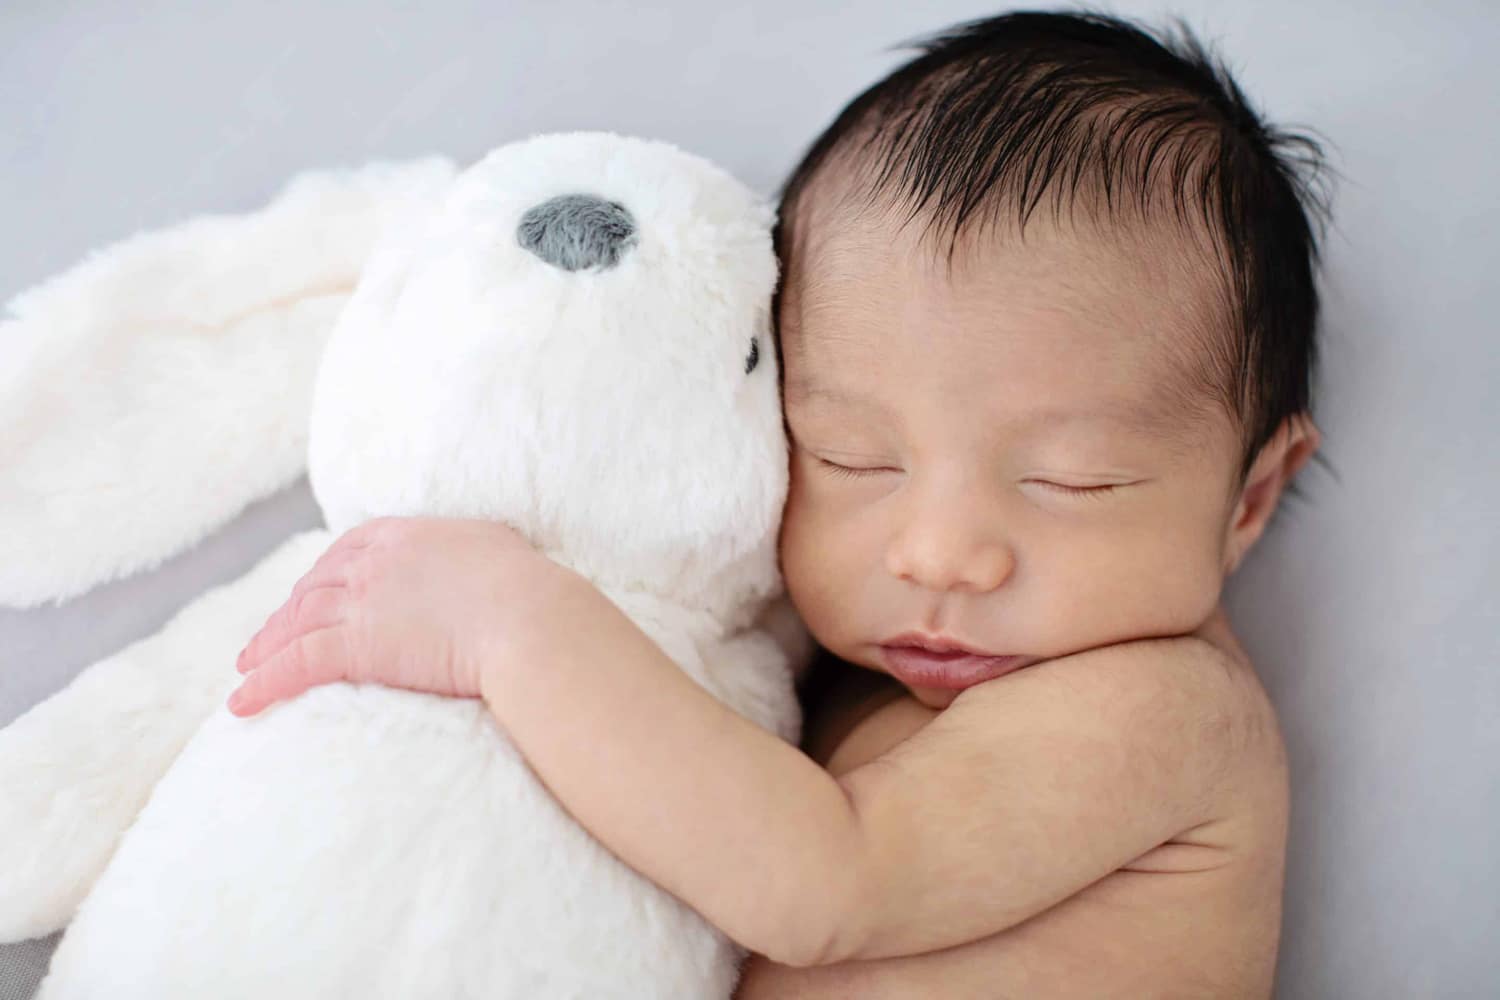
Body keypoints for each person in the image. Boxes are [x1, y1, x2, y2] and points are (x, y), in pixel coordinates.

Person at [228, 9, 1332, 996]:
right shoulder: (843, 662)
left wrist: (512, 622)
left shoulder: (1169, 711)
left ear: (1250, 499)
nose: (941, 554)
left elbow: (826, 885)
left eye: (1069, 481)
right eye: (852, 457)